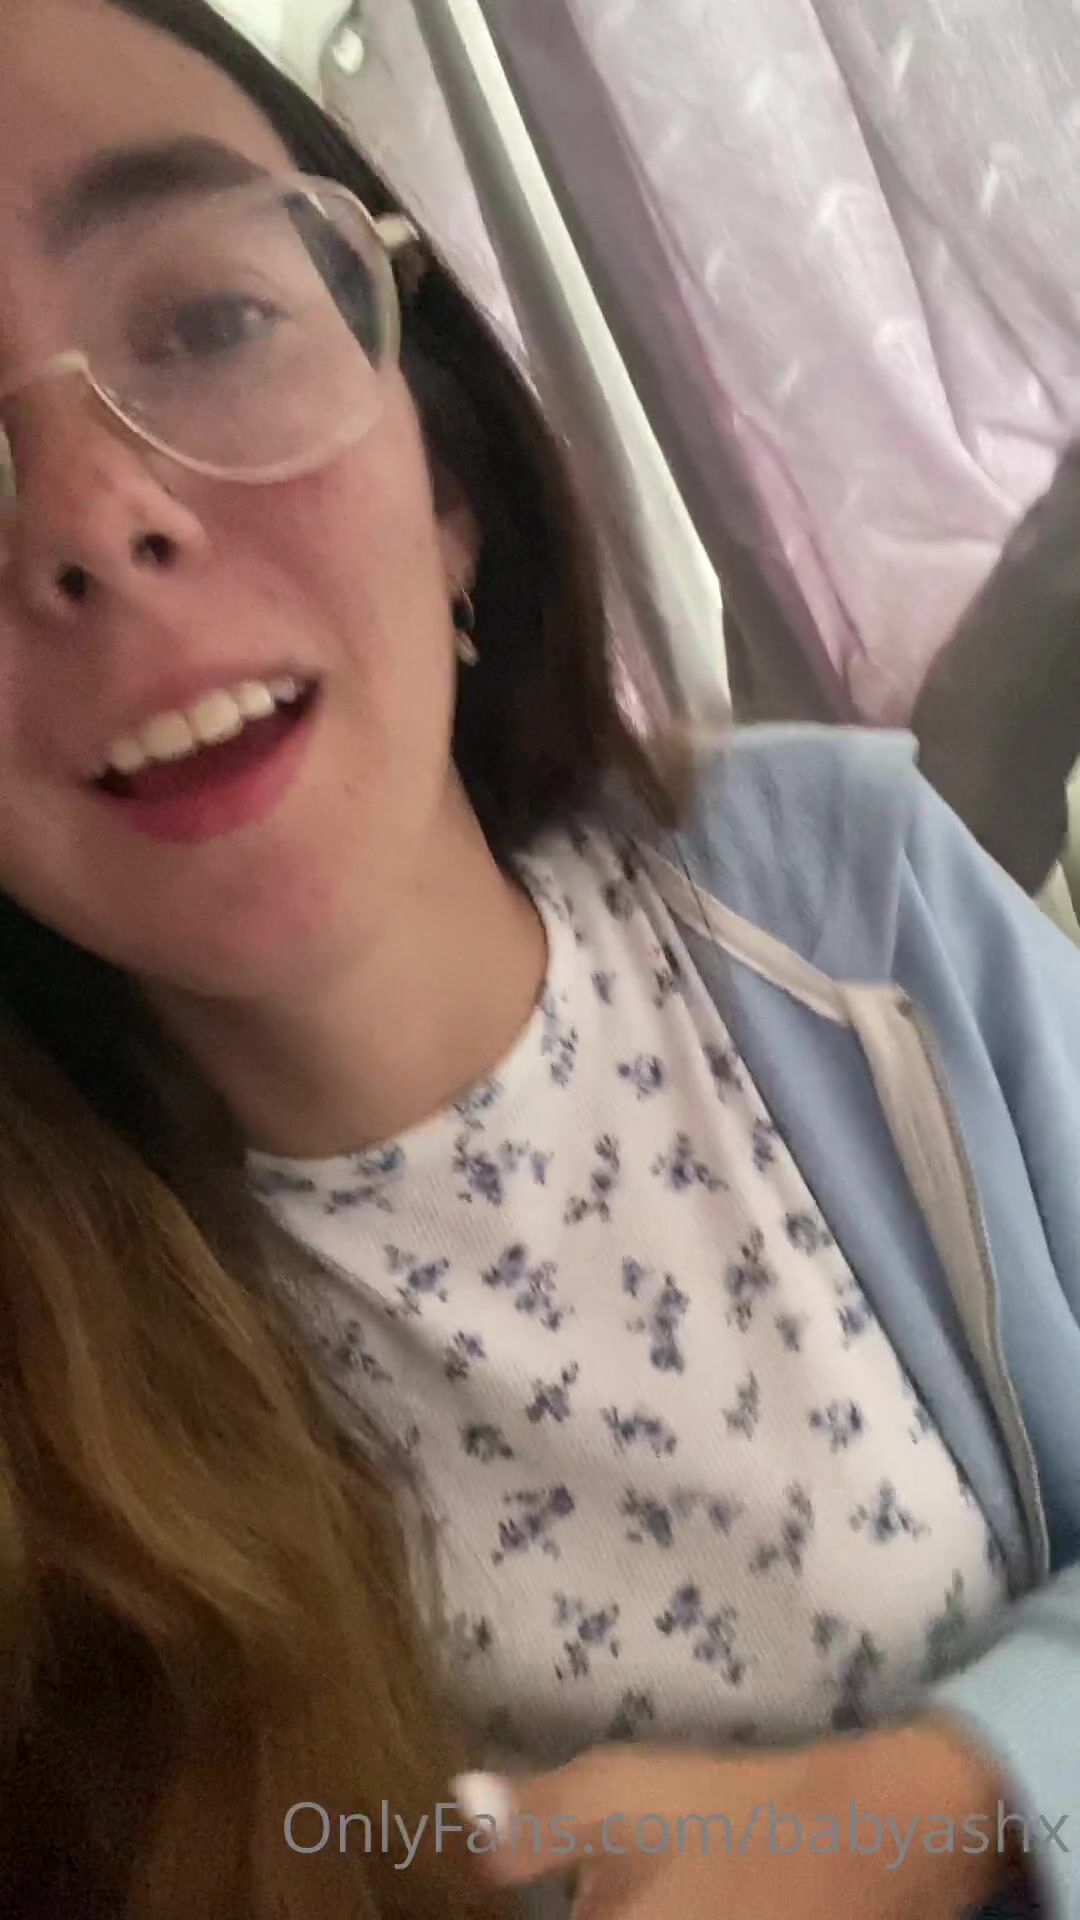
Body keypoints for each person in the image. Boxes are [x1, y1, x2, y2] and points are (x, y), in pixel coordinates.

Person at [0, 3, 1079, 1918]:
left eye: (207, 322)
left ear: (448, 481)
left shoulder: (842, 896)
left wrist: (935, 1799)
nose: (90, 518)